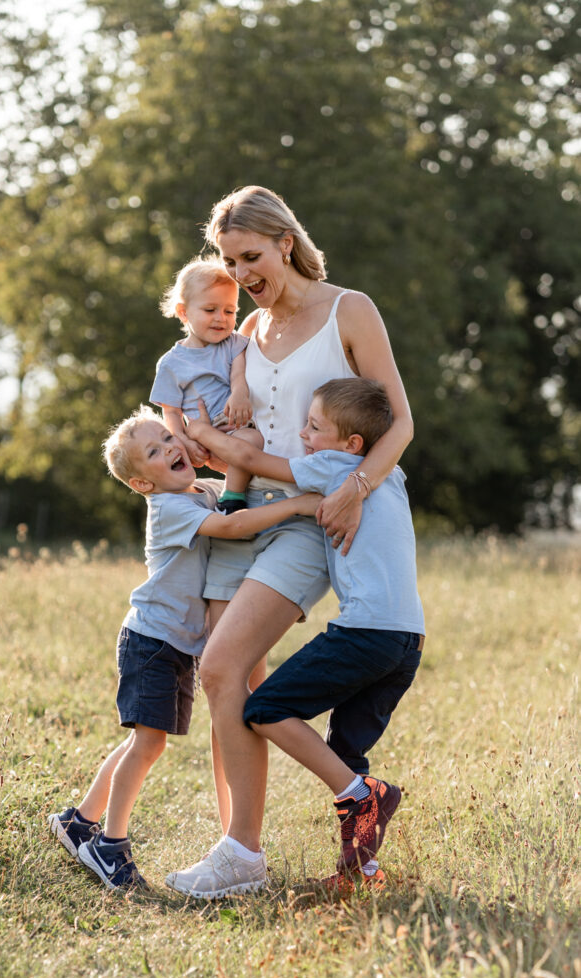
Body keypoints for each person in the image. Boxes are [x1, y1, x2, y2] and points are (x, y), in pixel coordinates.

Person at [165, 186, 415, 899]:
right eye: (228, 262)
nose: (240, 275)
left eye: (249, 257)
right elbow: (259, 440)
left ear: (283, 240)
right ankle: (265, 836)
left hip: (339, 510)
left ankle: (246, 851)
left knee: (222, 666)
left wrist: (355, 488)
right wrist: (202, 448)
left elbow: (397, 424)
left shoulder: (348, 310)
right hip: (273, 510)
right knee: (227, 672)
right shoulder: (245, 337)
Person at [48, 406, 319, 890]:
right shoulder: (169, 508)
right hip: (152, 641)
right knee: (148, 745)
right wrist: (298, 506)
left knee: (142, 743)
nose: (171, 448)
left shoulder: (204, 492)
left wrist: (233, 445)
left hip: (175, 645)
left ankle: (80, 821)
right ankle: (109, 847)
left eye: (167, 438)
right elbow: (236, 527)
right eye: (155, 451)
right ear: (142, 485)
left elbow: (241, 500)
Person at [150, 257, 263, 514]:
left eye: (230, 311)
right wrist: (184, 441)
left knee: (252, 439)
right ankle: (232, 499)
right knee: (247, 445)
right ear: (183, 312)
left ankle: (233, 496)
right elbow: (171, 412)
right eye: (210, 310)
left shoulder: (233, 344)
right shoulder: (171, 364)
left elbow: (238, 373)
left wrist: (239, 393)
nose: (220, 319)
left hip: (236, 428)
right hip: (205, 436)